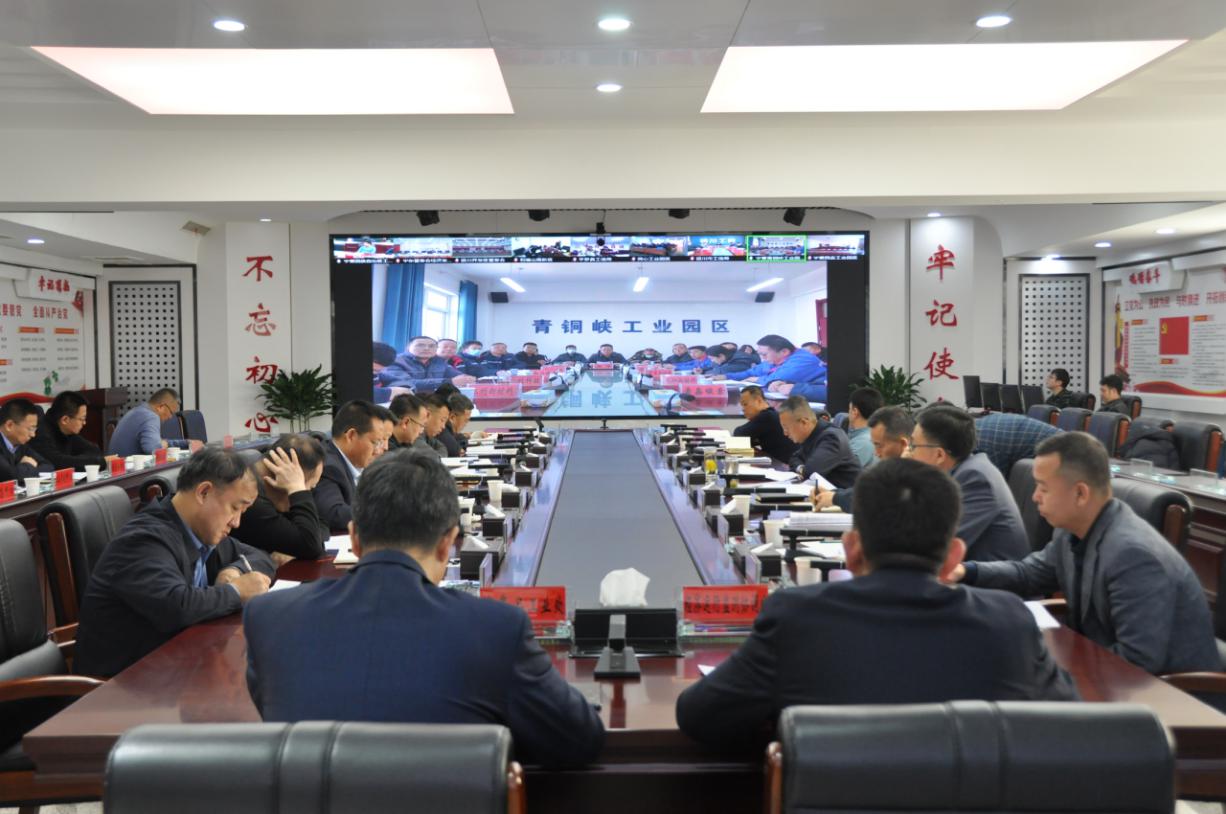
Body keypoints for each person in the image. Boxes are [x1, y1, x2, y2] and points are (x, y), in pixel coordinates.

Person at [674, 457, 1077, 746]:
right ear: (954, 557)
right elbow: (1070, 725)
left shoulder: (796, 616)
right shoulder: (1009, 622)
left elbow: (698, 716)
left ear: (851, 549)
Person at [243, 449, 606, 767]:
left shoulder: (269, 618)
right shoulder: (496, 629)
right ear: (449, 543)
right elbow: (578, 740)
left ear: (354, 537)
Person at [952, 432, 1219, 675]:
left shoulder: (1134, 555)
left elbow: (1137, 662)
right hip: (1106, 669)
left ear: (1080, 493)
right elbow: (1029, 573)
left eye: (1043, 488)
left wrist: (1051, 670)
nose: (1035, 497)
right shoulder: (1072, 530)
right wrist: (965, 571)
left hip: (1174, 697)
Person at [75, 448, 274, 677]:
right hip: (120, 685)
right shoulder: (144, 539)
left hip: (175, 669)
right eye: (235, 508)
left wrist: (233, 570)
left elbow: (261, 557)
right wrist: (236, 591)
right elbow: (177, 606)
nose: (236, 522)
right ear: (204, 492)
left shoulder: (201, 530)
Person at [909, 405, 1029, 561]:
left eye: (913, 446)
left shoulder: (975, 479)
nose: (909, 453)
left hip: (987, 574)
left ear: (939, 455)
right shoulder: (960, 471)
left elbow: (937, 546)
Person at [230, 434, 328, 561]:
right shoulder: (251, 502)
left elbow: (322, 524)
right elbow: (311, 545)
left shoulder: (272, 492)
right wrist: (297, 488)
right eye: (308, 487)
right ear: (289, 475)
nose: (307, 492)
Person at [816, 405, 915, 512]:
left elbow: (874, 499)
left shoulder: (915, 475)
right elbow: (870, 489)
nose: (876, 453)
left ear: (903, 444)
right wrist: (833, 493)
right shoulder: (891, 469)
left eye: (879, 445)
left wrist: (835, 497)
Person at [312, 400, 385, 532]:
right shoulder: (328, 466)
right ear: (351, 435)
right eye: (375, 442)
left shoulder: (351, 462)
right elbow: (334, 514)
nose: (379, 450)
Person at [777, 395, 860, 489]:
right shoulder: (813, 435)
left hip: (846, 496)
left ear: (804, 422)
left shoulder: (832, 438)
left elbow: (811, 472)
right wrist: (802, 468)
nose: (785, 433)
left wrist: (803, 470)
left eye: (786, 427)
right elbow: (794, 459)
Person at [108, 388, 203, 457]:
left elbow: (158, 443)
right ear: (161, 407)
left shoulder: (138, 411)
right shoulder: (150, 417)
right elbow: (153, 449)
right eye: (171, 412)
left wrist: (187, 442)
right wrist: (162, 444)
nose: (170, 417)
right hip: (129, 474)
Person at [29, 391, 107, 472]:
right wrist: (84, 461)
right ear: (65, 420)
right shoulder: (40, 434)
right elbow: (57, 463)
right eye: (82, 419)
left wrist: (75, 461)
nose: (84, 423)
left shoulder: (67, 431)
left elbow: (94, 451)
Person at [974, 412, 1060, 477]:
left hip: (1060, 452)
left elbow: (995, 483)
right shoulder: (978, 428)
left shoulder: (986, 446)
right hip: (1053, 444)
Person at [376, 336, 476, 393]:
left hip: (434, 400)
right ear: (408, 347)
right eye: (420, 345)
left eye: (432, 346)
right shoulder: (395, 361)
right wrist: (449, 382)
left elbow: (457, 375)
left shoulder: (439, 361)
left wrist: (467, 379)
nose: (427, 348)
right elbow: (407, 383)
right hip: (406, 401)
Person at [733, 386, 796, 464]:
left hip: (783, 466)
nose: (743, 409)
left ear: (759, 400)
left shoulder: (767, 416)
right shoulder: (772, 414)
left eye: (745, 404)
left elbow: (739, 434)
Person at [0, 398, 53, 482]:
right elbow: (11, 475)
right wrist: (27, 464)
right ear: (9, 425)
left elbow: (49, 467)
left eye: (34, 429)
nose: (33, 435)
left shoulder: (20, 445)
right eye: (30, 429)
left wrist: (22, 470)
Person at [846, 387, 883, 468]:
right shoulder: (871, 435)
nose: (848, 414)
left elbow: (841, 472)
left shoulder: (862, 443)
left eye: (849, 409)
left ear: (855, 411)